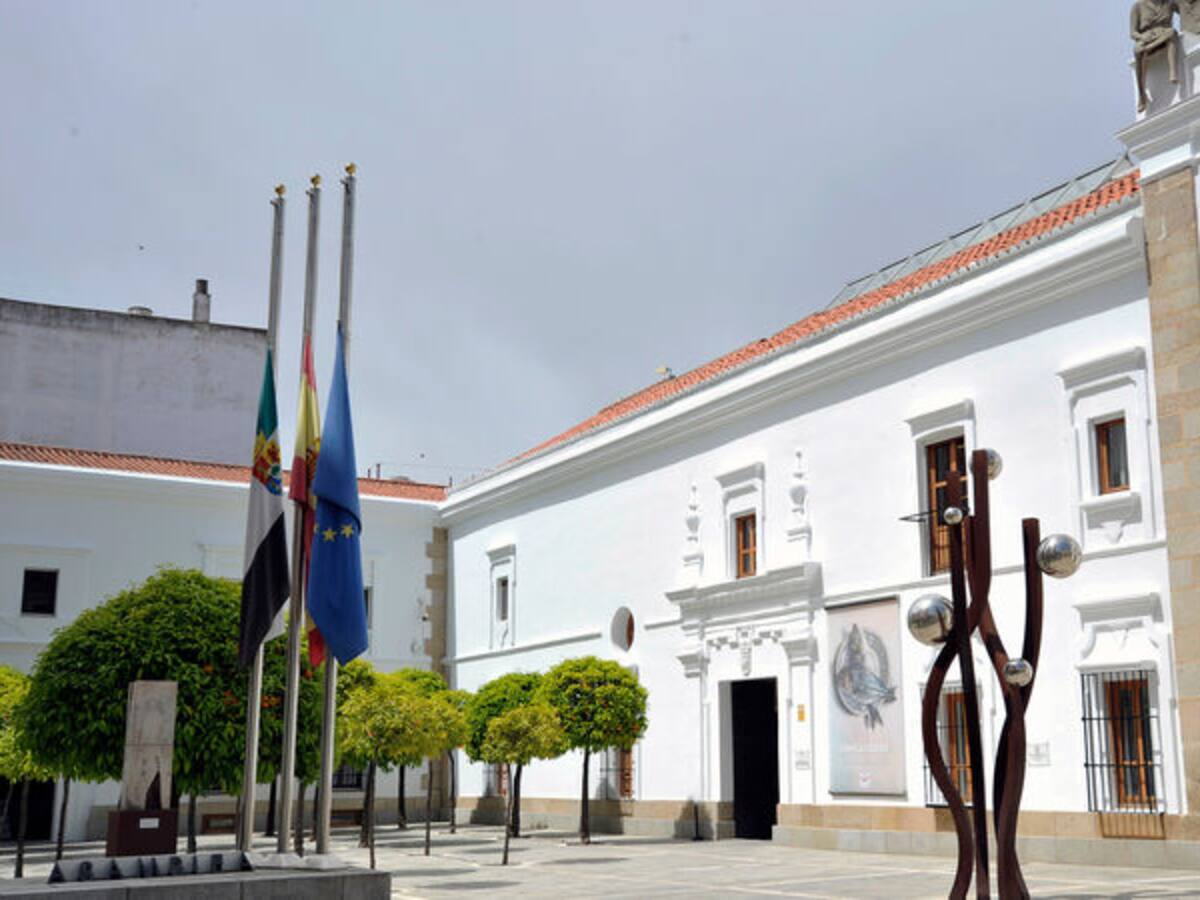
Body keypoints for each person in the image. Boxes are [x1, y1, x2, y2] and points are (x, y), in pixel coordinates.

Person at [1132, 0, 1180, 112]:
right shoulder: (1138, 6)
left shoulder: (1169, 3)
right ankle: (1141, 95)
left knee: (1172, 32)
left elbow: (1187, 9)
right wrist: (1142, 37)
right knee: (1137, 50)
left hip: (1164, 34)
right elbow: (1133, 32)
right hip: (1146, 39)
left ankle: (1173, 72)